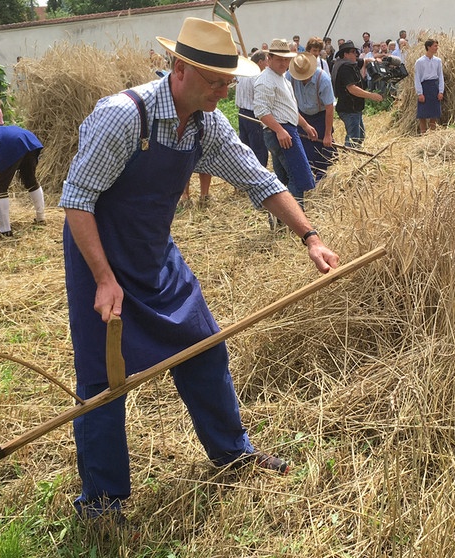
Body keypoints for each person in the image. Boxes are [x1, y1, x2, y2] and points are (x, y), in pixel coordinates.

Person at [59, 17, 339, 519]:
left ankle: (233, 455)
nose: (224, 90)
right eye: (215, 81)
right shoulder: (126, 116)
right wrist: (103, 279)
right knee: (102, 383)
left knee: (205, 347)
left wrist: (310, 237)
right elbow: (77, 200)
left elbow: (258, 180)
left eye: (228, 81)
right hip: (99, 258)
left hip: (155, 257)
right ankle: (101, 503)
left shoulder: (207, 125)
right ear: (181, 68)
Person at [255, 39, 317, 210]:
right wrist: (280, 130)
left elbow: (289, 110)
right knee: (296, 176)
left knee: (282, 179)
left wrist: (305, 125)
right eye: (279, 59)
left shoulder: (283, 79)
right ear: (269, 58)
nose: (284, 63)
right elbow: (261, 111)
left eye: (286, 59)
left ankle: (281, 219)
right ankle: (296, 217)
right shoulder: (265, 80)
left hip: (285, 130)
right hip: (280, 132)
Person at [289, 53, 335, 182]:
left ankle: (322, 177)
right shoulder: (289, 77)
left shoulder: (323, 79)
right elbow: (289, 104)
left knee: (323, 147)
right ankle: (309, 175)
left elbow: (329, 107)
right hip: (300, 115)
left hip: (320, 115)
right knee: (304, 146)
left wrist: (327, 134)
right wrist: (304, 125)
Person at [332, 41, 382, 148]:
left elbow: (364, 61)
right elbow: (352, 89)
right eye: (353, 52)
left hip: (354, 108)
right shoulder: (345, 68)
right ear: (345, 54)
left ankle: (353, 155)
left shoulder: (350, 63)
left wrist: (375, 60)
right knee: (354, 138)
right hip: (349, 108)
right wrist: (372, 95)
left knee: (360, 135)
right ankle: (348, 158)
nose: (356, 54)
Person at [235, 50, 269, 167]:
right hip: (253, 117)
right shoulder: (257, 77)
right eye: (266, 61)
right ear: (260, 62)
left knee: (245, 148)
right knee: (258, 149)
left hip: (242, 114)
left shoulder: (242, 73)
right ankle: (259, 175)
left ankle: (245, 173)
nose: (267, 64)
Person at [414, 39, 444, 134]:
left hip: (434, 87)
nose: (436, 48)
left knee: (434, 113)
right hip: (425, 87)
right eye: (435, 46)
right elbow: (417, 78)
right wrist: (420, 93)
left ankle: (432, 134)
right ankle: (423, 133)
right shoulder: (419, 62)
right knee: (422, 114)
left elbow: (440, 76)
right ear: (429, 47)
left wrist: (440, 91)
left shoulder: (438, 61)